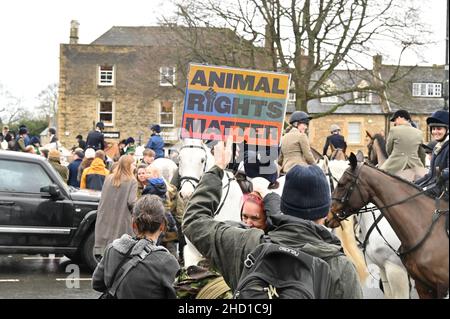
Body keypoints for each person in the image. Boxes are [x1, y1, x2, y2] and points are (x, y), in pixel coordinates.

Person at [182, 137, 363, 298]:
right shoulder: (341, 267)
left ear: (284, 206)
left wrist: (217, 169)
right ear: (325, 213)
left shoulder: (246, 243)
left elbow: (194, 220)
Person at [92, 194, 180, 299]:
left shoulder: (112, 249)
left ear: (133, 224)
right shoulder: (167, 262)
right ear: (162, 226)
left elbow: (97, 283)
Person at [94, 155, 138, 257]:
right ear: (128, 165)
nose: (135, 167)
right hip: (122, 220)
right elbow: (132, 202)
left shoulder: (109, 178)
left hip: (105, 218)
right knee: (120, 253)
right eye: (133, 164)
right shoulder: (132, 180)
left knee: (105, 254)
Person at [415, 110, 449, 199]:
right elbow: (431, 175)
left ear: (447, 130)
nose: (435, 132)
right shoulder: (437, 147)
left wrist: (441, 174)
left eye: (439, 129)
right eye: (433, 129)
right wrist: (414, 184)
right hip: (437, 186)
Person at [380, 110, 426, 175]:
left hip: (395, 164)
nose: (395, 123)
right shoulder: (419, 133)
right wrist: (422, 167)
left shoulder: (394, 130)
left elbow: (389, 149)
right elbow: (422, 153)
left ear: (399, 118)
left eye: (395, 120)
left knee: (379, 175)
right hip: (415, 165)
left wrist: (394, 157)